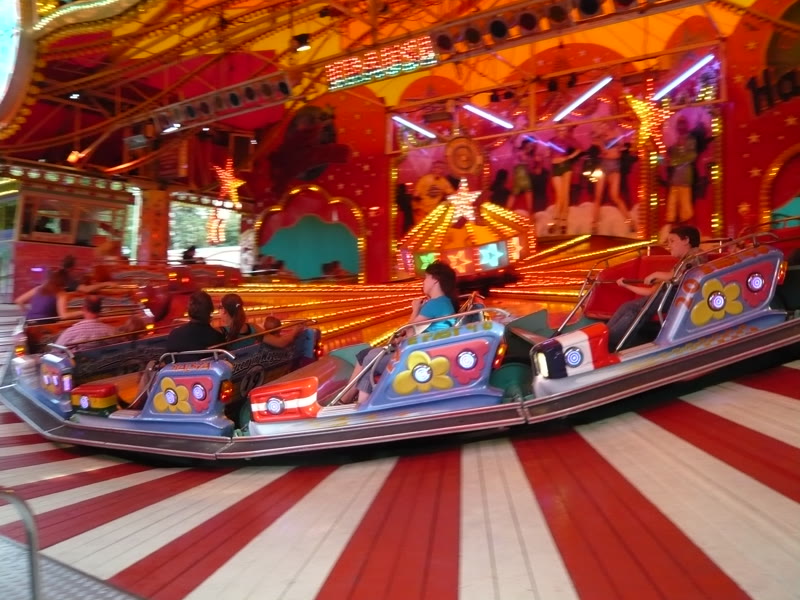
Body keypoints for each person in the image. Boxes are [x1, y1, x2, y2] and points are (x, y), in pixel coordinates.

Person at [345, 260, 459, 404]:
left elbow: (409, 331)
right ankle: (350, 398)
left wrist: (415, 309)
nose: (423, 282)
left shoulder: (435, 304)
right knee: (368, 354)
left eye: (426, 278)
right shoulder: (444, 302)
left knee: (370, 357)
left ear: (435, 280)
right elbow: (418, 332)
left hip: (419, 355)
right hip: (425, 350)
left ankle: (362, 403)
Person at [606, 225, 705, 350]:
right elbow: (652, 291)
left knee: (635, 311)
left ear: (686, 240)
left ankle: (612, 343)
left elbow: (681, 276)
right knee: (628, 306)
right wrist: (626, 285)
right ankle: (605, 336)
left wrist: (657, 274)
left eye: (672, 241)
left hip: (680, 297)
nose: (669, 245)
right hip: (669, 295)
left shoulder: (696, 254)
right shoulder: (681, 263)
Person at [591, 124, 634, 233]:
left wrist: (621, 146)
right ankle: (594, 224)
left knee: (614, 196)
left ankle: (630, 222)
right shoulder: (600, 137)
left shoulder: (616, 131)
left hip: (615, 166)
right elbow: (602, 149)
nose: (604, 128)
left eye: (605, 126)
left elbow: (621, 145)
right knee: (598, 196)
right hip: (604, 166)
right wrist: (600, 139)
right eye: (602, 126)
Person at [665, 116, 697, 228]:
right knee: (672, 203)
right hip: (675, 178)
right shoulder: (675, 141)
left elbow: (692, 156)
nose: (681, 126)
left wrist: (675, 161)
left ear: (686, 126)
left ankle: (687, 227)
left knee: (685, 204)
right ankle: (672, 227)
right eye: (679, 124)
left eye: (683, 124)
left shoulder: (691, 140)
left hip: (685, 177)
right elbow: (670, 159)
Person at [549, 127, 582, 234]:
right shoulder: (551, 140)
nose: (562, 132)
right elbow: (549, 156)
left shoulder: (568, 139)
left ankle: (563, 221)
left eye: (564, 130)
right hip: (556, 168)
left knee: (565, 194)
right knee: (560, 196)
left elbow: (579, 149)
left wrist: (569, 157)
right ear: (556, 131)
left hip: (566, 167)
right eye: (560, 130)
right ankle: (555, 221)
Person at [15, 269, 80, 323]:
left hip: (28, 321)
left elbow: (19, 300)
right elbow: (64, 316)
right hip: (45, 324)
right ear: (64, 283)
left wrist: (26, 312)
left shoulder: (38, 288)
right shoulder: (61, 294)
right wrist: (81, 312)